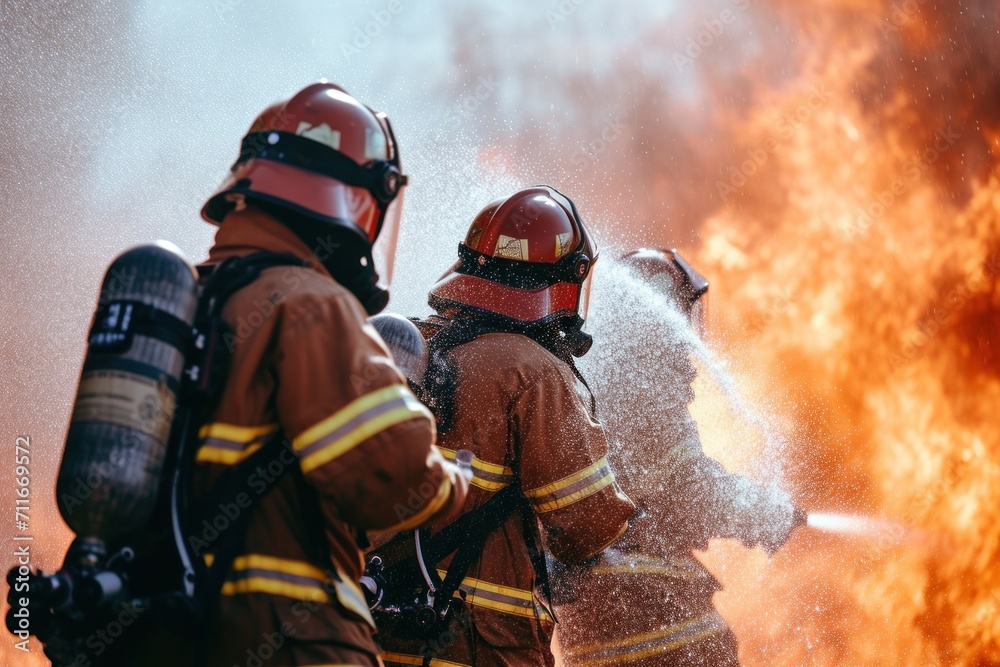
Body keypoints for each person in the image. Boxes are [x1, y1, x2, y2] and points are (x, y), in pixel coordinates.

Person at [188, 82, 469, 666]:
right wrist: (454, 480)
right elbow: (394, 481)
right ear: (356, 200)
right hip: (290, 636)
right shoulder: (312, 305)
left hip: (166, 624)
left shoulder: (184, 296)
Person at [371, 186, 636, 667]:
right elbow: (585, 520)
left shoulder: (409, 344)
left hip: (376, 635)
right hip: (478, 644)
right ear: (566, 280)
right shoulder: (532, 371)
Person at [554, 248, 806, 667]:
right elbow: (691, 492)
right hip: (651, 607)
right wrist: (766, 511)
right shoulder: (645, 389)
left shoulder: (593, 377)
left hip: (591, 618)